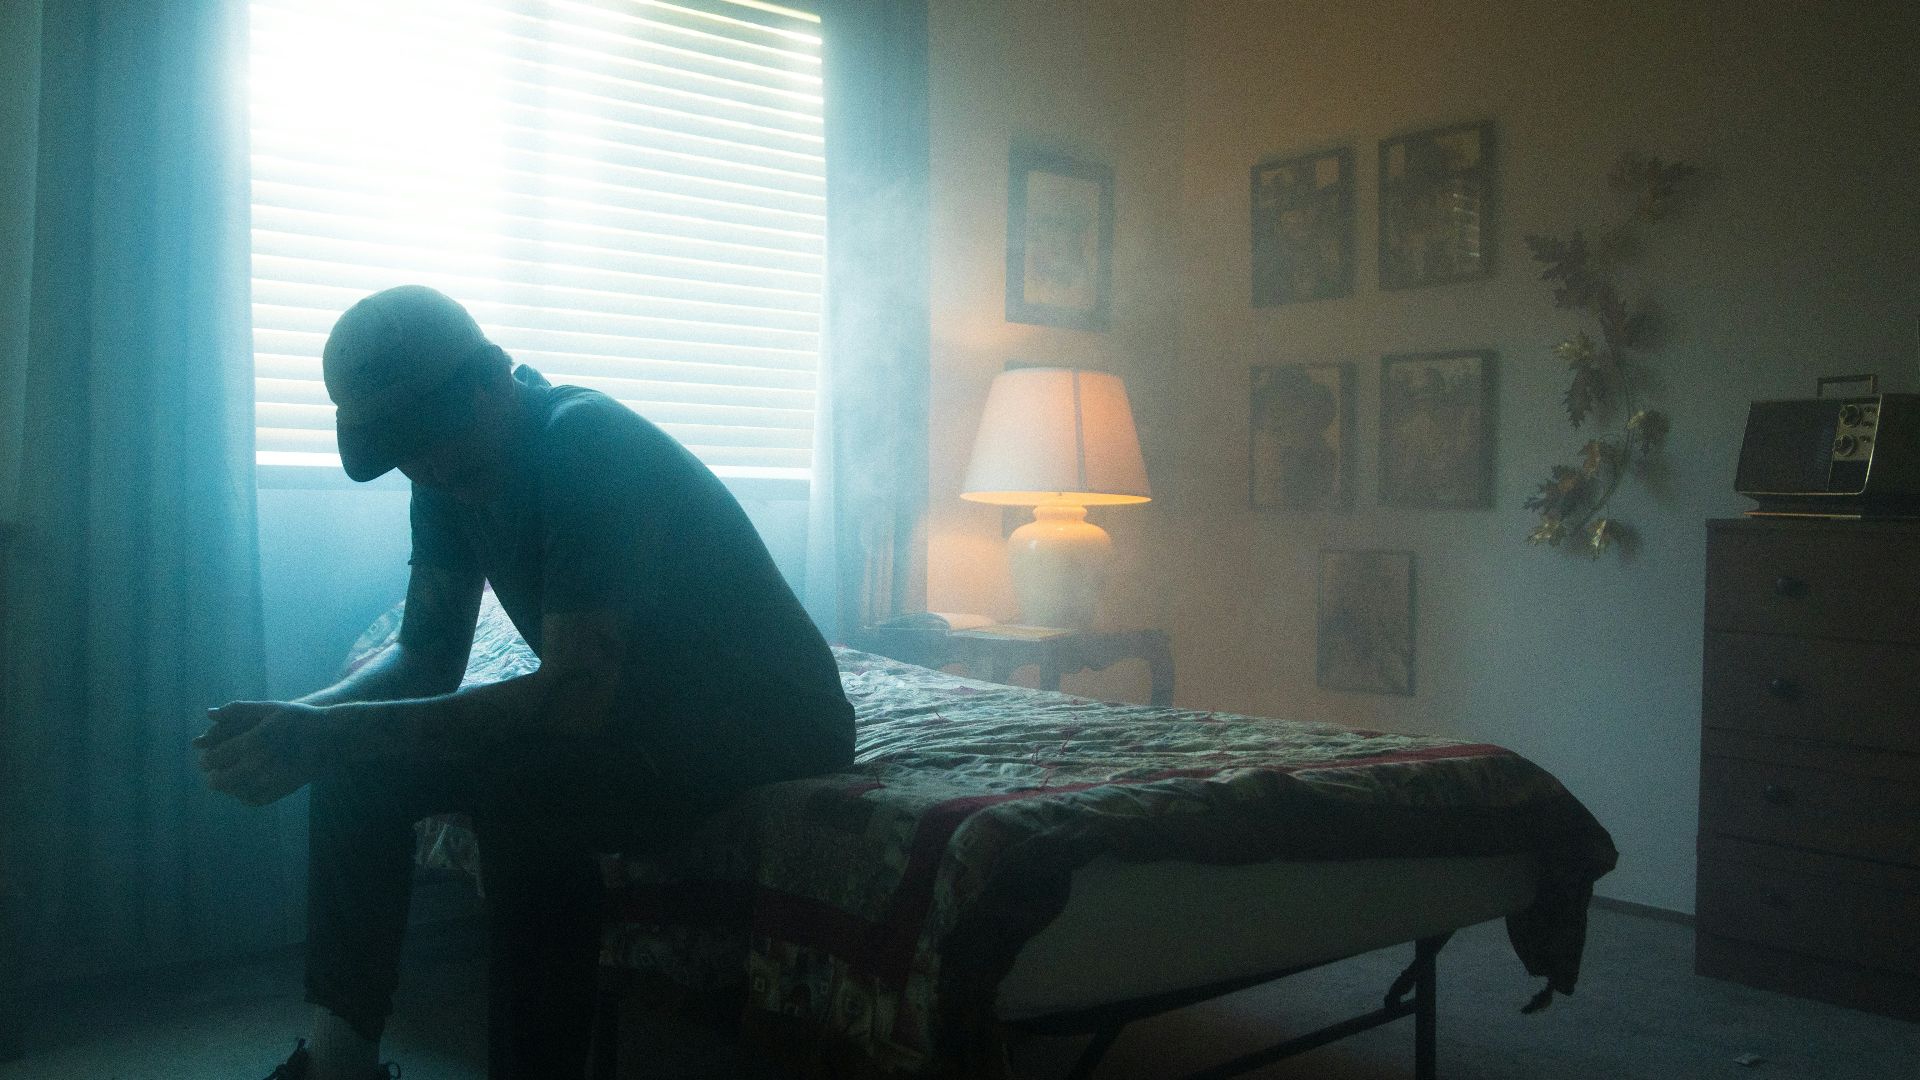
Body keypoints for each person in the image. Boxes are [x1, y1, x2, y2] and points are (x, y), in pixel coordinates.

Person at [195, 285, 856, 1080]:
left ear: (494, 377)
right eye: (407, 454)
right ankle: (339, 1066)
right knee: (354, 769)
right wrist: (299, 723)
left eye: (437, 442)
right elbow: (424, 656)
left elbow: (573, 698)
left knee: (525, 794)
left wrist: (335, 729)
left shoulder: (585, 447)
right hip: (630, 707)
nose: (430, 468)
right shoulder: (441, 473)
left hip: (763, 719)